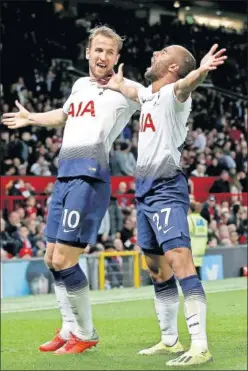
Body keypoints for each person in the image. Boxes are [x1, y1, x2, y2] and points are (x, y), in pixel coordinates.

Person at [2, 25, 140, 355]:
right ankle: (68, 328)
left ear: (116, 57)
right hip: (65, 177)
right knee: (51, 257)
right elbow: (63, 115)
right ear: (88, 53)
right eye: (98, 49)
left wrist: (132, 90)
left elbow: (158, 97)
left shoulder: (125, 90)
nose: (103, 56)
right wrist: (32, 118)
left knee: (64, 259)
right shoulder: (79, 85)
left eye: (110, 51)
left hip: (90, 181)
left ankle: (86, 332)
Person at [103, 43, 227, 366]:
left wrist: (200, 70)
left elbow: (187, 86)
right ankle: (170, 340)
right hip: (143, 192)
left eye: (162, 53)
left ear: (172, 68)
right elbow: (133, 91)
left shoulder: (174, 95)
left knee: (179, 261)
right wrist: (118, 85)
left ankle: (199, 345)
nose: (155, 53)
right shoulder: (149, 95)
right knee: (157, 269)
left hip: (167, 188)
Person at [187, 202, 208, 280]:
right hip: (201, 247)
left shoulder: (190, 219)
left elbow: (187, 232)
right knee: (197, 268)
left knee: (190, 270)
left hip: (192, 246)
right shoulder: (203, 220)